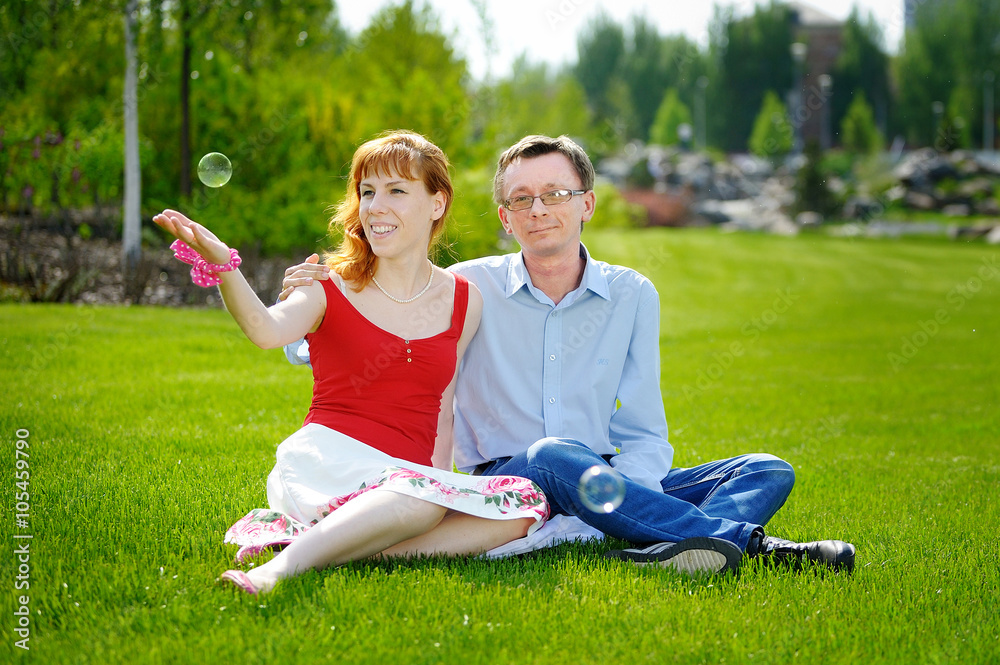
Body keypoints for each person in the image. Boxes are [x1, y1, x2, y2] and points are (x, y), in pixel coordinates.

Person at [280, 134, 855, 575]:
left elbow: (646, 430)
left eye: (556, 195)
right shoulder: (463, 288)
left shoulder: (632, 294)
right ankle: (751, 547)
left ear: (588, 204)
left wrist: (627, 494)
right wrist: (308, 319)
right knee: (555, 454)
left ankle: (652, 538)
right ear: (504, 218)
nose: (539, 210)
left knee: (765, 469)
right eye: (521, 199)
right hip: (513, 481)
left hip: (600, 475)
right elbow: (379, 341)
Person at [153, 131, 548, 595]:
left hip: (407, 482)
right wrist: (226, 266)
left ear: (436, 204)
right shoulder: (326, 285)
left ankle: (335, 549)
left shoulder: (464, 300)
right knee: (418, 504)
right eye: (367, 192)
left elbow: (441, 410)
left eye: (396, 191)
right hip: (330, 463)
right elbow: (265, 329)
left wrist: (439, 483)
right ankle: (277, 572)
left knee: (524, 505)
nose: (375, 206)